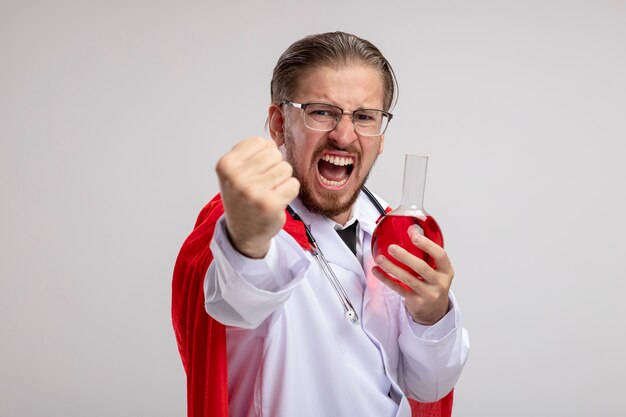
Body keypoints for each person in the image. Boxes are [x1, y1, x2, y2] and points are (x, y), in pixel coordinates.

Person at [172, 31, 470, 417]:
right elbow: (238, 298)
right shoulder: (254, 230)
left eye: (364, 117)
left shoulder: (392, 228)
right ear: (279, 124)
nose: (344, 136)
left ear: (381, 137)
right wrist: (247, 236)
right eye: (321, 111)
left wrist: (432, 314)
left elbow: (428, 387)